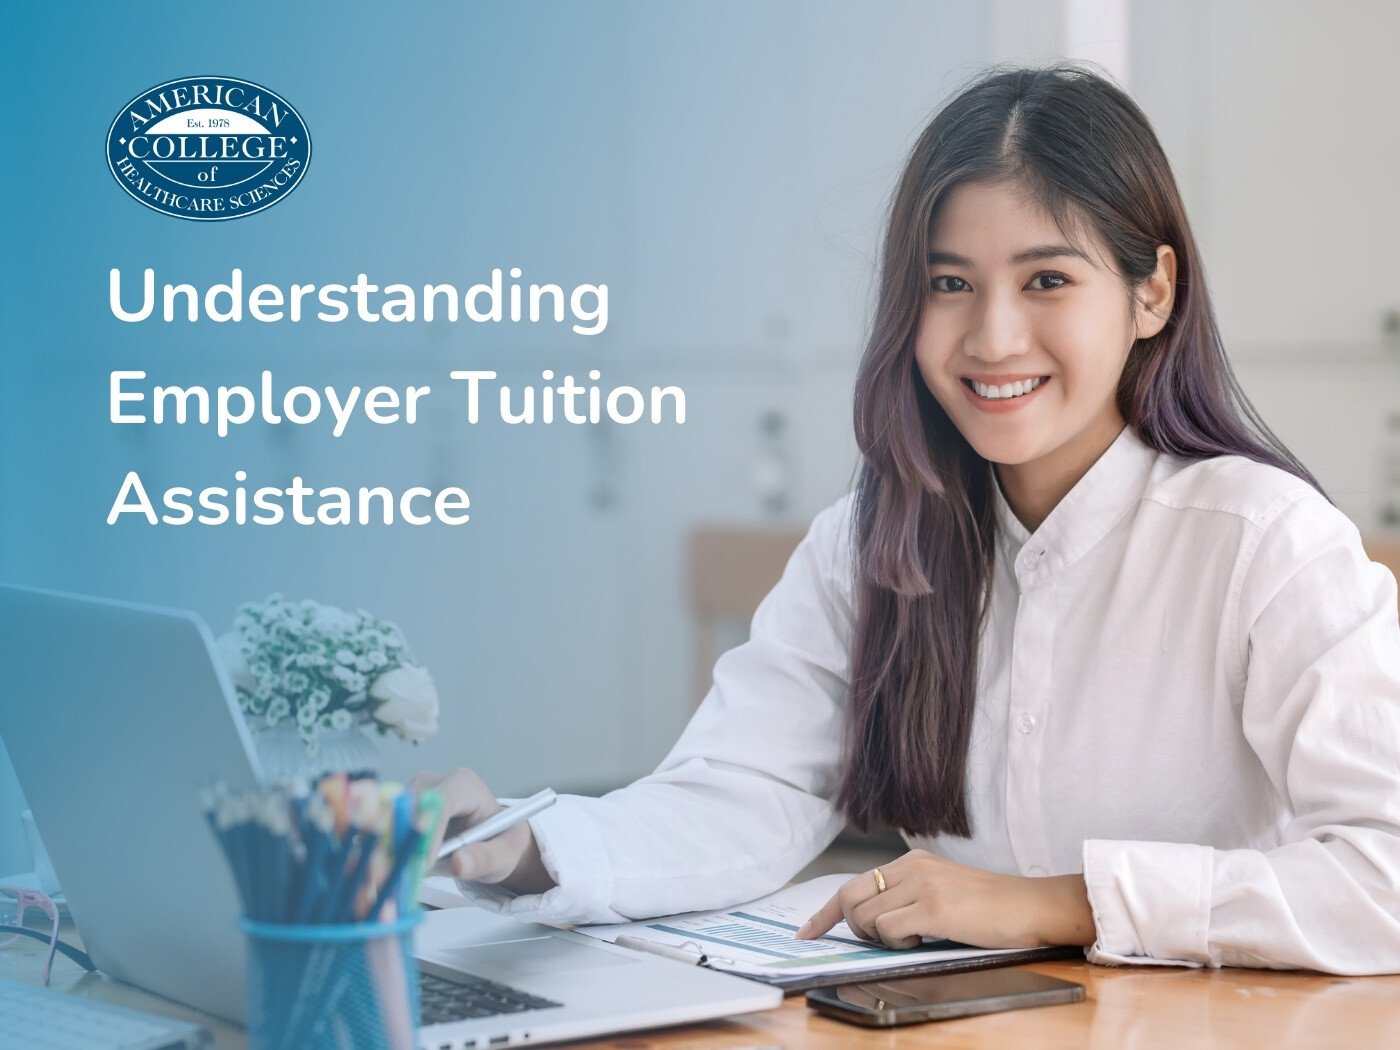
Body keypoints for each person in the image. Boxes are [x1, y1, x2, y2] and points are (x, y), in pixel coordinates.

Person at [412, 63, 1400, 974]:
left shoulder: (1264, 540)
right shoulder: (869, 543)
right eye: (948, 284)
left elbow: (1384, 875)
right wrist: (524, 845)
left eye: (1046, 279)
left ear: (1151, 293)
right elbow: (742, 795)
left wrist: (1056, 905)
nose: (991, 336)